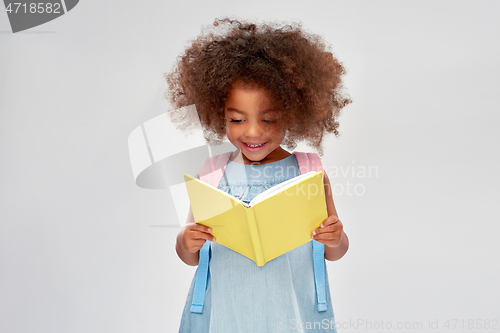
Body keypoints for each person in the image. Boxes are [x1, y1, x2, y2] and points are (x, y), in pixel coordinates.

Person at [165, 18, 351, 332]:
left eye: (269, 119)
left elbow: (335, 251)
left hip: (291, 311)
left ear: (293, 113)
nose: (252, 132)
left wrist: (335, 237)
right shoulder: (212, 172)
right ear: (218, 112)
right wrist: (186, 241)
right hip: (224, 312)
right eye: (237, 119)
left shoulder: (310, 172)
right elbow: (190, 257)